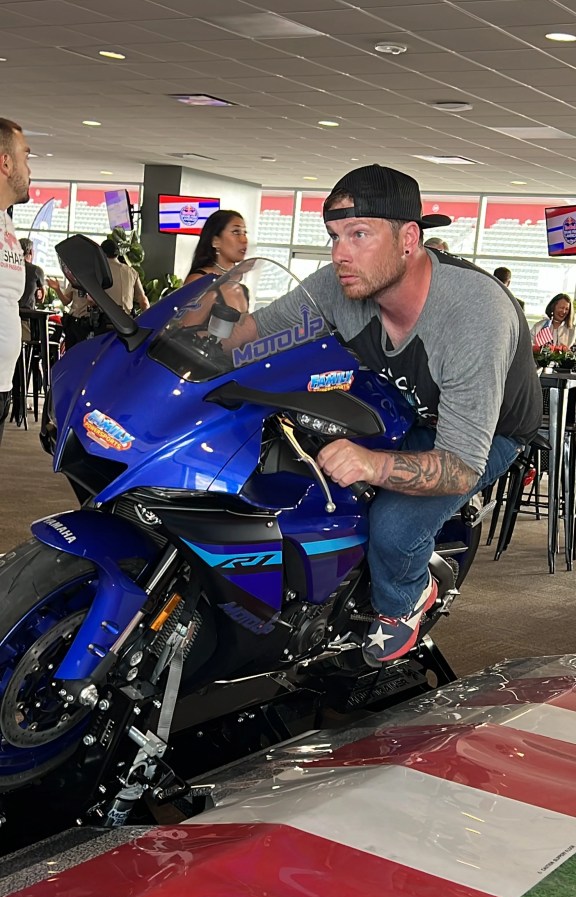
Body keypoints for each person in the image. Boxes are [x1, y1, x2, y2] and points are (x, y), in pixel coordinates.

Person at [227, 163, 542, 663]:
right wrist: (187, 343)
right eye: (334, 236)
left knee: (394, 526)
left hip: (489, 431)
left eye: (358, 234)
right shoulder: (338, 285)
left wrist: (372, 465)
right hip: (403, 401)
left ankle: (405, 602)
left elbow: (460, 463)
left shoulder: (474, 314)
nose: (339, 253)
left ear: (408, 238)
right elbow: (256, 333)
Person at [0, 118, 30, 446]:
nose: (29, 168)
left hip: (3, 384)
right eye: (26, 156)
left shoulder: (6, 219)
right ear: (5, 163)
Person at [184, 210, 248, 284]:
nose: (244, 240)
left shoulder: (241, 278)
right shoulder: (198, 280)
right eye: (236, 232)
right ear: (215, 241)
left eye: (245, 233)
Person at [100, 238, 149, 315]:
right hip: (126, 321)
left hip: (104, 320)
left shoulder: (99, 270)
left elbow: (90, 300)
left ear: (101, 254)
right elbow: (143, 301)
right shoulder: (132, 271)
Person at [46, 276, 92, 350]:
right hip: (73, 320)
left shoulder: (93, 281)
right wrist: (57, 289)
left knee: (83, 350)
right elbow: (65, 301)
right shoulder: (74, 281)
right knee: (70, 349)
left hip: (86, 321)